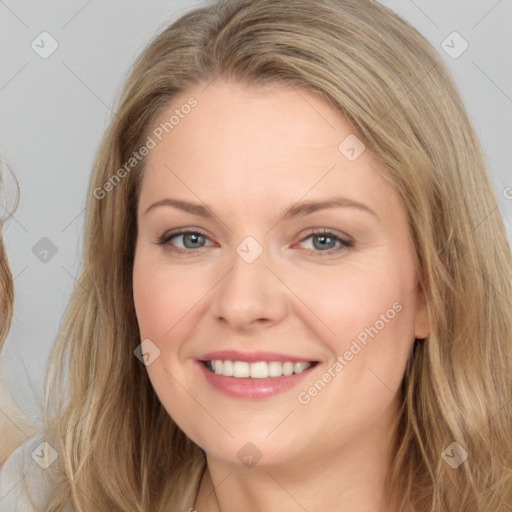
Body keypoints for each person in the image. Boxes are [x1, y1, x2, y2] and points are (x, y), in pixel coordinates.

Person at [2, 0, 512, 510]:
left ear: (431, 287)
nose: (243, 304)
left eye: (322, 240)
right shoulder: (35, 492)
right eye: (190, 238)